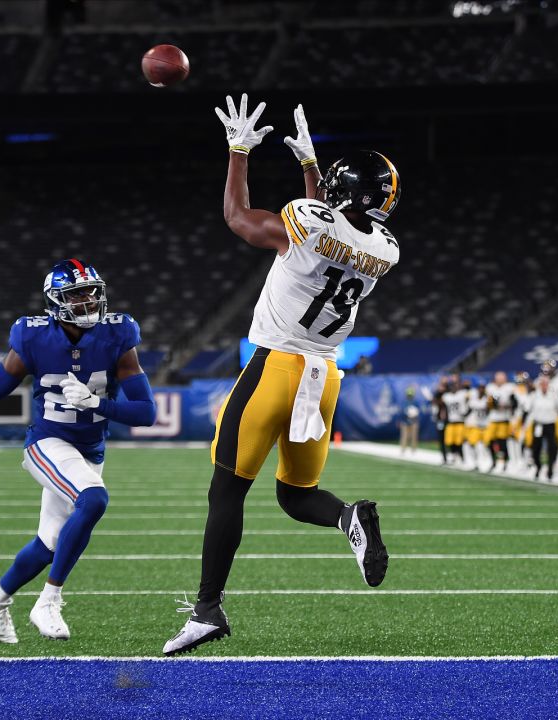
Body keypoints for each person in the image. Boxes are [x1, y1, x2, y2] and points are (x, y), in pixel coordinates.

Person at [164, 95, 399, 656]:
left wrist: (239, 152)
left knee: (227, 490)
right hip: (324, 376)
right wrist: (312, 171)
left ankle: (207, 611)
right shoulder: (385, 247)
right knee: (298, 496)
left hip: (274, 366)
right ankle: (350, 518)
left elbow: (239, 218)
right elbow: (331, 229)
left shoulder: (311, 223)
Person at [0, 259, 157, 643]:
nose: (89, 301)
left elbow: (146, 413)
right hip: (46, 443)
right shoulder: (32, 338)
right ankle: (48, 600)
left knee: (51, 543)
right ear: (55, 302)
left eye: (92, 292)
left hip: (90, 450)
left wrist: (96, 404)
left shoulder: (118, 334)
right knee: (94, 499)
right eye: (77, 295)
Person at [525, 376, 558, 481]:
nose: (544, 386)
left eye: (546, 383)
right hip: (538, 424)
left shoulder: (553, 395)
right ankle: (538, 467)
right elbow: (527, 408)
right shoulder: (534, 395)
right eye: (542, 384)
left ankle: (550, 470)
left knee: (552, 448)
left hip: (550, 424)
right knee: (536, 448)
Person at [485, 371, 516, 471]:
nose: (500, 380)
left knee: (503, 442)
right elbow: (488, 403)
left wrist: (505, 406)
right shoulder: (490, 387)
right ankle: (493, 461)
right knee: (489, 441)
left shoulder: (509, 387)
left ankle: (505, 462)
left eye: (502, 378)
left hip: (504, 419)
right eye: (498, 378)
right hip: (493, 419)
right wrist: (493, 404)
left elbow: (514, 403)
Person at [398, 386, 420, 455]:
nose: (410, 396)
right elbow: (402, 412)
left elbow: (417, 411)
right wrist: (407, 415)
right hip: (405, 421)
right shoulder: (404, 402)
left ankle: (413, 450)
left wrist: (414, 415)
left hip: (414, 421)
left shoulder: (415, 402)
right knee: (404, 436)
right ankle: (403, 449)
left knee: (414, 436)